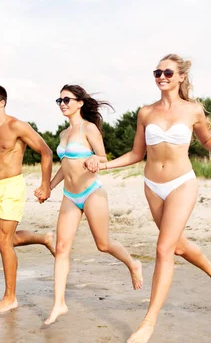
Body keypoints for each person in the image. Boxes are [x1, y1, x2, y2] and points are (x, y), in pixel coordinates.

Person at [84, 55, 211, 343]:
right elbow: (136, 154)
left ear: (180, 77)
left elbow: (206, 140)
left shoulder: (193, 111)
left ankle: (148, 323)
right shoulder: (145, 112)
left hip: (182, 183)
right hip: (152, 185)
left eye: (167, 72)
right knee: (176, 246)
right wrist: (104, 164)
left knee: (164, 248)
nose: (161, 76)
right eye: (157, 72)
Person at [44, 85, 143, 325]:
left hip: (91, 192)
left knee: (103, 244)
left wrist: (93, 158)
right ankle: (59, 303)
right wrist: (49, 186)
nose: (62, 103)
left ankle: (133, 263)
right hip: (70, 195)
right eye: (59, 100)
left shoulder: (88, 129)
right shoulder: (63, 134)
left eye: (67, 99)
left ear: (79, 103)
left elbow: (103, 157)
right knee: (62, 247)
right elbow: (65, 166)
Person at [0, 84, 56, 314]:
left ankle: (10, 298)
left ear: (2, 102)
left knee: (3, 241)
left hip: (12, 186)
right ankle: (44, 238)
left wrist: (45, 184)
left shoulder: (17, 126)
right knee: (5, 238)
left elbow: (45, 151)